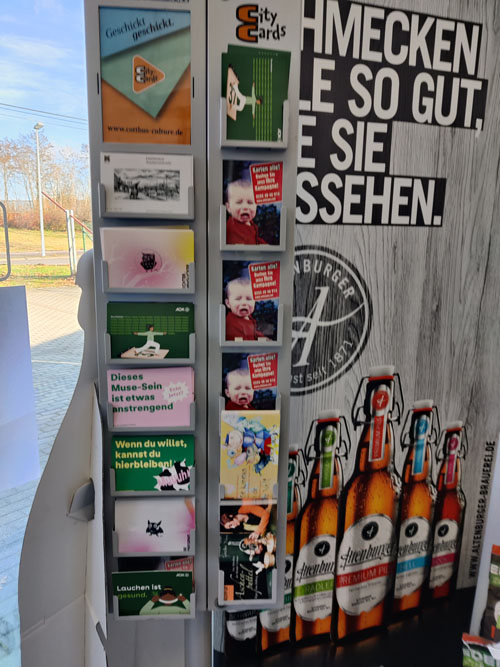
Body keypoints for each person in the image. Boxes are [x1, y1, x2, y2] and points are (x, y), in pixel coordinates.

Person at [225, 179, 266, 245]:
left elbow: (256, 239)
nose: (245, 207)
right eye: (239, 202)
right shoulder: (232, 229)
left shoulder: (250, 223)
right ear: (228, 207)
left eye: (250, 202)